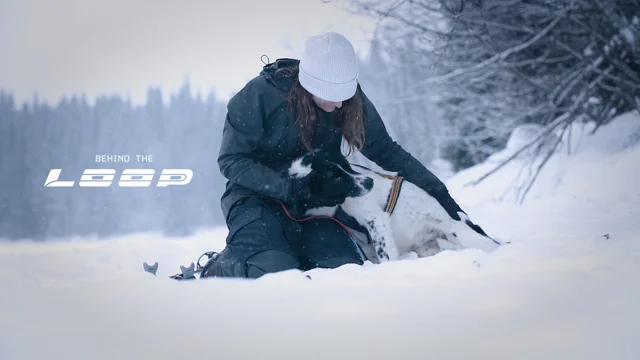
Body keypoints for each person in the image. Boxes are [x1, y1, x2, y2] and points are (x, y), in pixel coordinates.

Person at [201, 32, 472, 279]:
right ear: (308, 85)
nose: (340, 103)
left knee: (345, 271)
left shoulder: (348, 98)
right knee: (273, 272)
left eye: (345, 94)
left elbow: (386, 150)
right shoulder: (259, 95)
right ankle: (220, 265)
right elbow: (232, 160)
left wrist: (439, 192)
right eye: (332, 95)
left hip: (317, 205)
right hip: (256, 198)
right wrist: (290, 188)